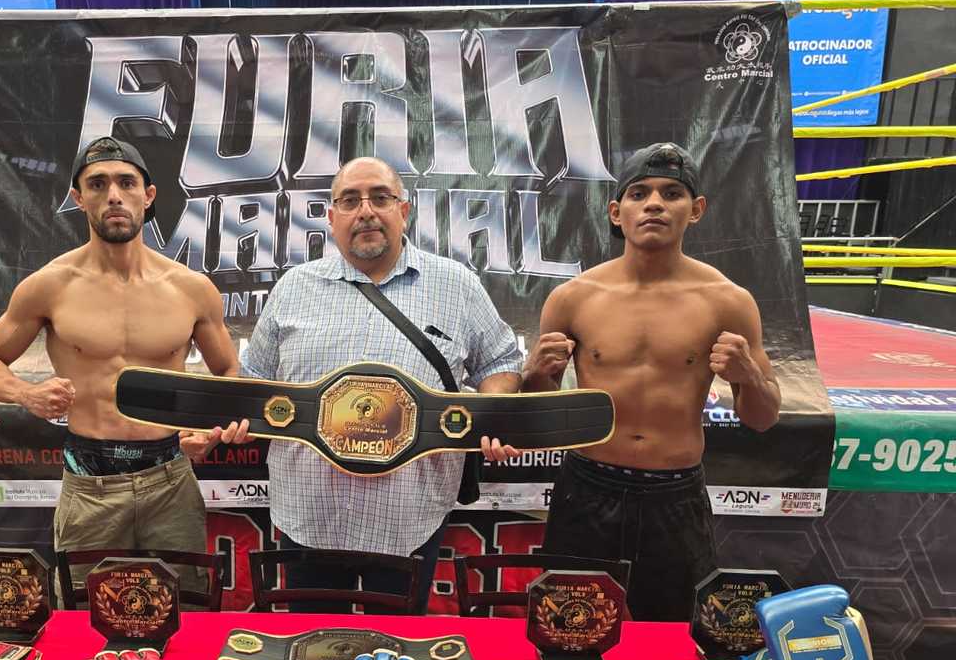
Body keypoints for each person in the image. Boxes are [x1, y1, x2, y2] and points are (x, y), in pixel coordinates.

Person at [237, 156, 523, 611]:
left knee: (397, 648)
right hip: (309, 516)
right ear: (332, 217)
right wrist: (233, 422)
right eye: (350, 200)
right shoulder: (293, 288)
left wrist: (491, 417)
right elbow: (253, 383)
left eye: (380, 198)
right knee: (311, 642)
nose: (366, 211)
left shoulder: (456, 286)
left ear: (403, 211)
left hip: (410, 518)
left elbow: (501, 362)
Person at [0, 137, 241, 593]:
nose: (113, 195)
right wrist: (25, 393)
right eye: (97, 184)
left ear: (148, 195)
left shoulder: (191, 289)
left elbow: (229, 373)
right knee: (84, 617)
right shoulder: (50, 286)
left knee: (184, 610)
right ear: (79, 198)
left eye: (126, 182)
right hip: (89, 486)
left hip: (170, 480)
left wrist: (209, 428)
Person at [522, 142, 780, 622]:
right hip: (587, 488)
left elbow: (763, 419)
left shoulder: (728, 301)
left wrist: (749, 378)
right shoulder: (572, 298)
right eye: (639, 193)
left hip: (675, 497)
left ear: (696, 209)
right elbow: (540, 415)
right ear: (616, 212)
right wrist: (535, 376)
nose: (655, 204)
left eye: (671, 193)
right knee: (567, 630)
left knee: (675, 636)